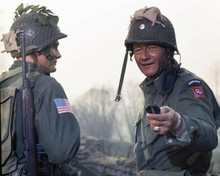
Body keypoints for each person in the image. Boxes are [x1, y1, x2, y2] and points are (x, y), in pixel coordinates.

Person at [116, 6, 220, 176]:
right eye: (138, 49)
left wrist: (178, 124)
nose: (144, 56)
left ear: (169, 51)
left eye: (152, 48)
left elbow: (209, 136)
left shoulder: (188, 86)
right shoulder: (151, 90)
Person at [0, 4, 80, 175]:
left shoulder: (3, 83)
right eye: (54, 46)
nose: (58, 54)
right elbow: (63, 151)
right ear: (37, 49)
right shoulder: (47, 86)